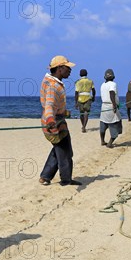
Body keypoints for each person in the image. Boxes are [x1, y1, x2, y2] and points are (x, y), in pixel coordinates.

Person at [39, 55, 82, 186]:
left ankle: (45, 176)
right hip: (53, 122)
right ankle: (66, 180)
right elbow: (50, 105)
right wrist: (51, 119)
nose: (70, 70)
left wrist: (65, 112)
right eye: (67, 67)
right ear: (59, 68)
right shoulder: (53, 86)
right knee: (64, 152)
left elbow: (54, 105)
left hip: (57, 120)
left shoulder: (51, 81)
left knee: (59, 149)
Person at [99, 69, 122, 148]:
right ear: (113, 77)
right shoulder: (113, 84)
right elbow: (111, 93)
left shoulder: (102, 85)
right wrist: (114, 104)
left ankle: (102, 141)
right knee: (115, 124)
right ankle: (110, 143)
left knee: (103, 123)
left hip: (103, 106)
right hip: (110, 106)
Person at [74, 69, 96, 133]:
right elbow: (93, 90)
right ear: (87, 74)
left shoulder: (78, 82)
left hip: (80, 98)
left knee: (81, 113)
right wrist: (94, 97)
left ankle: (83, 126)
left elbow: (76, 93)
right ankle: (84, 126)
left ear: (80, 74)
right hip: (88, 97)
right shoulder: (90, 81)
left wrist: (76, 102)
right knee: (86, 113)